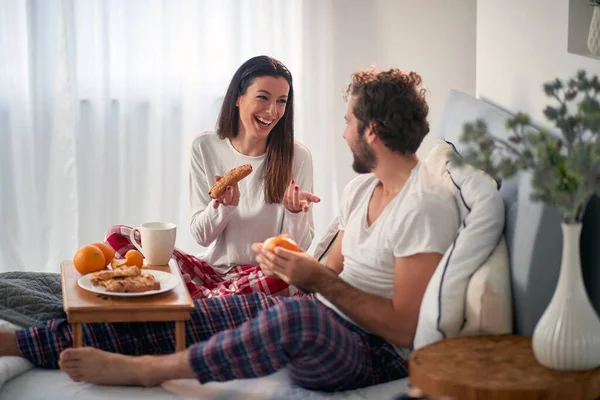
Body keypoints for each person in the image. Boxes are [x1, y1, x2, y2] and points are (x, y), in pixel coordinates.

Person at [0, 68, 460, 392]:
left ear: (373, 132)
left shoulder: (423, 207)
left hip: (368, 350)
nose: (342, 133)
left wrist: (312, 277)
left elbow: (402, 328)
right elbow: (326, 269)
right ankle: (20, 341)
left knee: (295, 317)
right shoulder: (362, 191)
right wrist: (300, 272)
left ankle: (147, 371)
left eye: (348, 121)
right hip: (317, 311)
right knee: (189, 317)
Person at [104, 55, 320, 299]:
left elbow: (297, 251)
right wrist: (222, 208)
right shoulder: (205, 146)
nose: (272, 111)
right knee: (117, 235)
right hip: (213, 271)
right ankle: (215, 299)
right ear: (238, 98)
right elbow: (202, 237)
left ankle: (200, 299)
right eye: (263, 97)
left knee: (286, 280)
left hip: (264, 275)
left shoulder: (297, 156)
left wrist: (294, 213)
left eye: (282, 101)